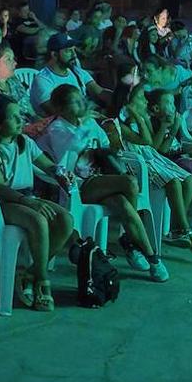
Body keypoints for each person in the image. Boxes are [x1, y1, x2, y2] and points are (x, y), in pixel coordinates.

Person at [39, 85, 165, 280]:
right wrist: (85, 127)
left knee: (123, 203)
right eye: (75, 101)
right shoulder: (57, 128)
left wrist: (111, 138)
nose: (82, 103)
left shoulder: (88, 123)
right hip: (77, 186)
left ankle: (151, 257)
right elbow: (70, 153)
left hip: (100, 179)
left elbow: (106, 145)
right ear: (62, 109)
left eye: (81, 98)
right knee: (130, 182)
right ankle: (130, 243)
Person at [0, 94, 78, 311]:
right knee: (39, 220)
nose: (20, 120)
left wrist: (60, 173)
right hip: (1, 203)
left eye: (19, 114)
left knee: (65, 219)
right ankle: (42, 281)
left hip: (25, 198)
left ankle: (29, 273)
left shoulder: (24, 142)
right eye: (13, 117)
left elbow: (48, 165)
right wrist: (29, 203)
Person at [111, 81, 192, 256]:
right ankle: (186, 232)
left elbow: (152, 146)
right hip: (138, 166)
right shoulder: (120, 125)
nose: (146, 102)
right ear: (127, 103)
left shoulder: (144, 118)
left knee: (189, 179)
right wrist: (139, 117)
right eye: (141, 98)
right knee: (174, 182)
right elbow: (147, 142)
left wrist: (143, 118)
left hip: (154, 160)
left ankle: (176, 228)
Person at [146, 88, 192, 243]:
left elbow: (179, 148)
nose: (173, 107)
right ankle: (184, 224)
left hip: (177, 162)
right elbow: (159, 151)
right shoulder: (155, 123)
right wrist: (170, 128)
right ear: (156, 108)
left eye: (173, 103)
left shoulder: (176, 122)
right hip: (164, 164)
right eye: (169, 104)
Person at [29, 34, 109, 116]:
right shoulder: (43, 80)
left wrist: (118, 97)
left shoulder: (77, 72)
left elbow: (99, 91)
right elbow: (54, 111)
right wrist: (87, 113)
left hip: (82, 117)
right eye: (68, 51)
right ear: (54, 55)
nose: (74, 55)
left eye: (74, 50)